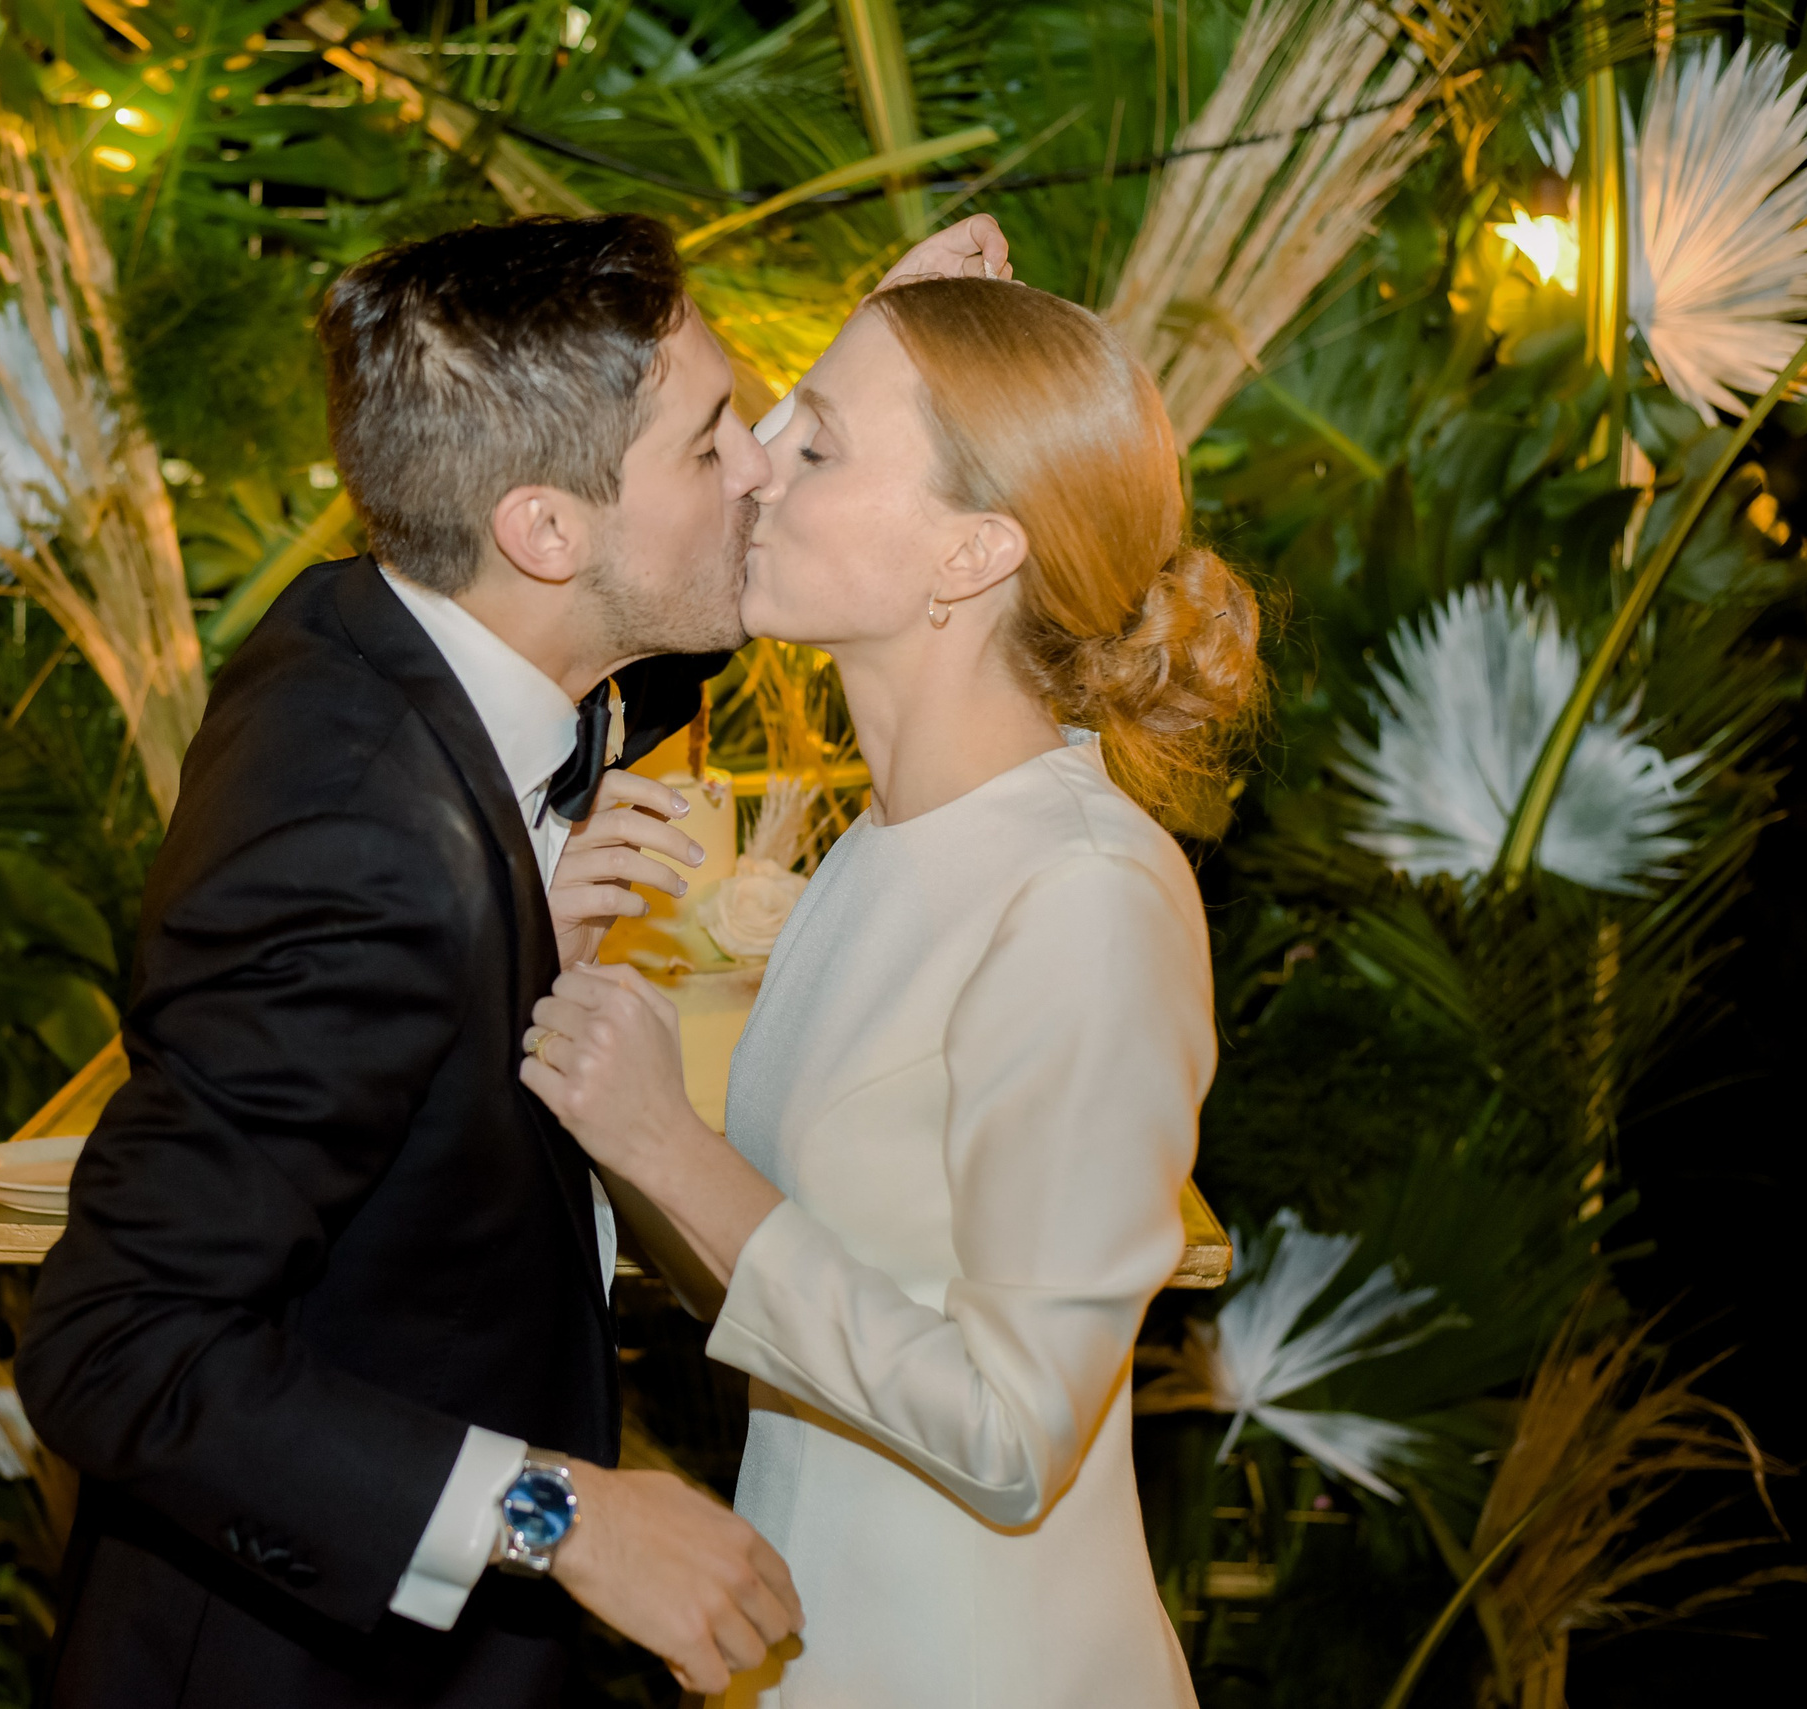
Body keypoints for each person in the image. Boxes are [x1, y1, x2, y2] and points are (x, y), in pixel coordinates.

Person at [12, 212, 1014, 1708]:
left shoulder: (405, 624)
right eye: (716, 442)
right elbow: (115, 1344)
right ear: (544, 531)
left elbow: (662, 608)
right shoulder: (356, 849)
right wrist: (559, 1515)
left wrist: (861, 378)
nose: (760, 469)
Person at [520, 277, 1266, 1706]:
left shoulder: (1085, 897)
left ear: (974, 551)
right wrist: (611, 1101)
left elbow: (1013, 1432)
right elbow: (767, 1281)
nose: (755, 469)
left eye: (818, 444)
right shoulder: (882, 845)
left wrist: (672, 1143)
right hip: (810, 1649)